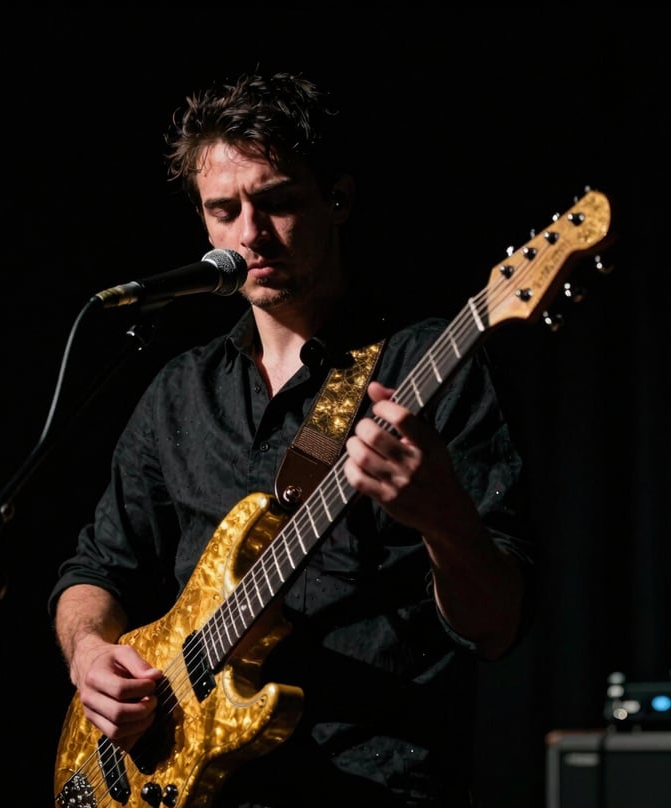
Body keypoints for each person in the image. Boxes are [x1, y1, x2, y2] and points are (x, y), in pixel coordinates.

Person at [49, 70, 533, 808]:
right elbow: (98, 567)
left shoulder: (421, 366)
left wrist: (441, 517)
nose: (250, 233)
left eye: (276, 200)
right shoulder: (182, 390)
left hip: (372, 782)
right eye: (225, 209)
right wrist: (90, 655)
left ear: (336, 200)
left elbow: (497, 626)